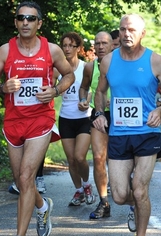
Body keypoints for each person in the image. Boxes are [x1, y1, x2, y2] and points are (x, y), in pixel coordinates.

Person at [0, 1, 74, 236]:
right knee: (21, 181)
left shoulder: (52, 49)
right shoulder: (5, 50)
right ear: (16, 23)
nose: (25, 22)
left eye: (31, 18)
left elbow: (68, 76)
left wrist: (55, 91)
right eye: (21, 18)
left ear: (39, 23)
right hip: (13, 122)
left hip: (40, 120)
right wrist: (3, 88)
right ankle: (43, 206)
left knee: (26, 176)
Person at [92, 14, 161, 236]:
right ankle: (140, 205)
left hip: (146, 133)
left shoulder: (155, 61)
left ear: (142, 33)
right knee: (120, 195)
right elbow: (100, 92)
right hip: (119, 133)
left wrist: (160, 111)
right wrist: (99, 113)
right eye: (122, 29)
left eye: (131, 29)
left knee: (140, 189)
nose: (126, 33)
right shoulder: (108, 61)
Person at [58, 32, 96, 206]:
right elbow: (50, 86)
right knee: (71, 159)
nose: (66, 49)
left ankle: (87, 185)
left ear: (78, 48)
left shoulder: (85, 67)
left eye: (70, 46)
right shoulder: (57, 69)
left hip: (84, 117)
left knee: (80, 157)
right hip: (66, 118)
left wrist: (87, 102)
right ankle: (78, 190)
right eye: (64, 45)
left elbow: (90, 89)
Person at [79, 31, 113, 219]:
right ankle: (104, 202)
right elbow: (83, 87)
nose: (100, 47)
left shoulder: (120, 64)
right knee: (99, 157)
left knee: (119, 160)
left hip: (119, 116)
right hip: (98, 115)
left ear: (111, 46)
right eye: (97, 43)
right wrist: (84, 99)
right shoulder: (90, 67)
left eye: (104, 43)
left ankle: (132, 201)